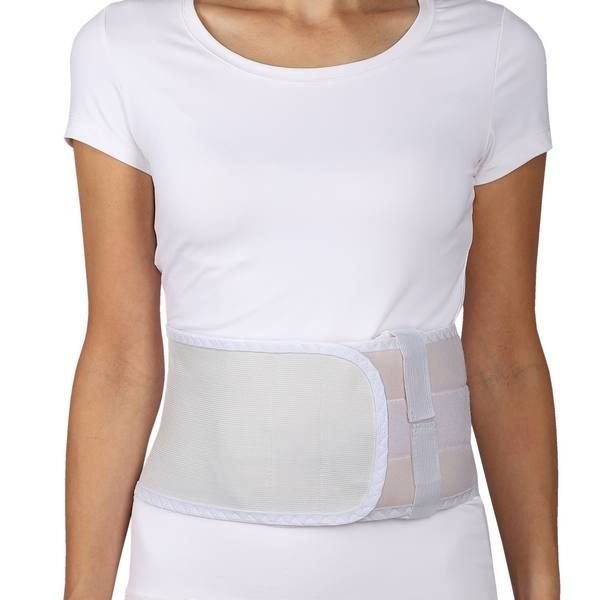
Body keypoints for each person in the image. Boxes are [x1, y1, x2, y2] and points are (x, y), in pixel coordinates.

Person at [63, 1, 559, 599]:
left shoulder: (492, 51)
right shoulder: (125, 48)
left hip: (423, 562)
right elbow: (119, 360)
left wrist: (543, 588)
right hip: (197, 560)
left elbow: (505, 357)